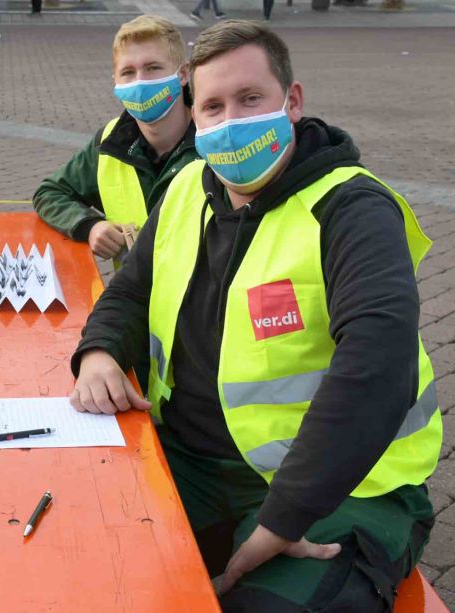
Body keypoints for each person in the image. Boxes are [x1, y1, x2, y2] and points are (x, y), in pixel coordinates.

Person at [70, 20, 440, 611]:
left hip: (346, 484)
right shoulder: (190, 185)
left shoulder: (351, 206)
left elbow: (378, 363)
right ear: (194, 113)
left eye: (250, 99)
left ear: (291, 102)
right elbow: (129, 291)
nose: (231, 121)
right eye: (213, 106)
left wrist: (287, 514)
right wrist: (98, 352)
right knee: (77, 559)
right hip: (192, 461)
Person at [32, 15, 199, 270]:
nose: (140, 82)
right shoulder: (110, 142)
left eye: (153, 68)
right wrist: (90, 226)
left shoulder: (213, 141)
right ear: (116, 82)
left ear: (183, 74)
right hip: (133, 304)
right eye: (128, 72)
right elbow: (50, 193)